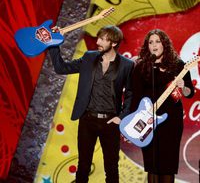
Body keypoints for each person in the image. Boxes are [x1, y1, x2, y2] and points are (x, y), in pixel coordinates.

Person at [48, 25, 134, 183]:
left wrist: (121, 117)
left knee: (112, 168)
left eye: (102, 39)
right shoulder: (89, 57)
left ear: (114, 43)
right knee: (83, 165)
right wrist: (53, 43)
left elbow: (130, 93)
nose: (98, 41)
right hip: (87, 120)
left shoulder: (127, 65)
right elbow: (61, 68)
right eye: (98, 37)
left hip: (110, 122)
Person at [130, 29, 194, 183]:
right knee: (152, 165)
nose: (154, 45)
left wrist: (183, 86)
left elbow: (189, 93)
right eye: (150, 42)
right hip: (148, 121)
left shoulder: (179, 65)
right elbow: (135, 96)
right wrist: (134, 121)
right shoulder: (141, 67)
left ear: (164, 44)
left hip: (171, 121)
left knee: (168, 165)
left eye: (157, 41)